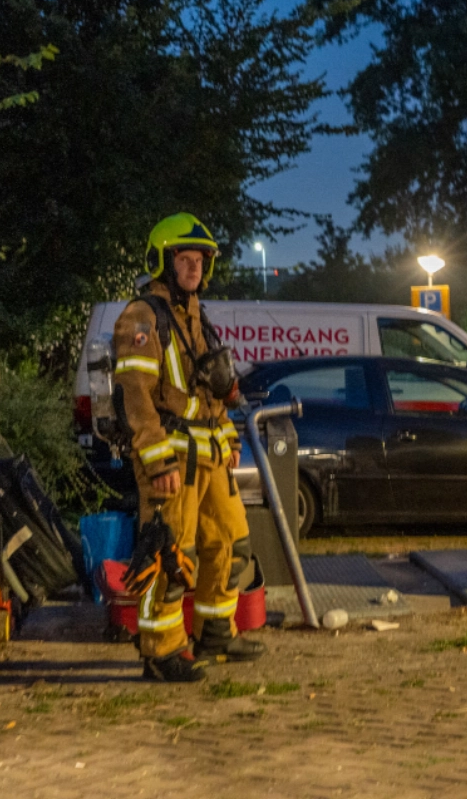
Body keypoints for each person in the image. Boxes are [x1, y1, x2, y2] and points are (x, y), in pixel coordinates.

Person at [112, 213, 266, 682]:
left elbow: (210, 390)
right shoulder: (142, 317)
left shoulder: (197, 316)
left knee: (229, 542)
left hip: (210, 457)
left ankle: (216, 633)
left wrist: (230, 437)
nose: (195, 267)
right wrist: (156, 460)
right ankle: (161, 652)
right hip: (172, 460)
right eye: (185, 258)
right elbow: (135, 396)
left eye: (200, 260)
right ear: (164, 261)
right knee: (170, 556)